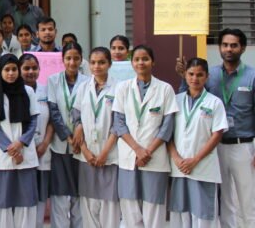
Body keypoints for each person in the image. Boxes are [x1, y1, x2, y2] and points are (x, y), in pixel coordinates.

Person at [175, 28, 255, 228]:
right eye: (225, 45)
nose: (229, 49)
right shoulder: (210, 75)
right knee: (223, 200)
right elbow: (190, 96)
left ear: (242, 48)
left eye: (233, 45)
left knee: (248, 198)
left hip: (242, 145)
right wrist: (183, 77)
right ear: (219, 48)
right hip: (215, 148)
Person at [112, 45, 177, 228]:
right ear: (131, 63)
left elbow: (167, 126)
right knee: (129, 205)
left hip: (154, 156)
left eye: (145, 59)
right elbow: (119, 123)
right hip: (129, 155)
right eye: (137, 59)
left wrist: (147, 151)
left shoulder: (165, 89)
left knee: (154, 206)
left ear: (153, 62)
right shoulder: (123, 88)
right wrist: (137, 149)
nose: (141, 62)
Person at [169, 57, 227, 228]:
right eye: (191, 74)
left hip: (203, 167)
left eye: (200, 75)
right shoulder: (175, 100)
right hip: (179, 167)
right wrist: (176, 158)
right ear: (185, 75)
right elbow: (167, 133)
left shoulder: (214, 102)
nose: (195, 78)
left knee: (203, 214)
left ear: (207, 77)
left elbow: (217, 134)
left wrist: (195, 160)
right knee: (181, 212)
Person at [0, 54, 40, 227]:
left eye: (14, 69)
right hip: (3, 156)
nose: (11, 73)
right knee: (3, 202)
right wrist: (11, 149)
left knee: (26, 201)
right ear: (0, 71)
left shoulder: (28, 91)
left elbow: (33, 121)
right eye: (6, 69)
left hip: (25, 154)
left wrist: (20, 143)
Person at [71, 47, 120, 228]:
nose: (97, 66)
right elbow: (76, 117)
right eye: (93, 62)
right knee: (88, 202)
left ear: (110, 64)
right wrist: (85, 150)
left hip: (110, 154)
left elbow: (119, 123)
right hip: (88, 155)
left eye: (101, 62)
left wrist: (105, 152)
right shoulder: (83, 87)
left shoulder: (119, 88)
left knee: (109, 203)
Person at [46, 42, 89, 227]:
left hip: (83, 145)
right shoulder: (53, 80)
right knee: (61, 192)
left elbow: (89, 110)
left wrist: (79, 130)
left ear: (81, 60)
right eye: (68, 58)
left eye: (76, 58)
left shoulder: (88, 81)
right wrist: (68, 137)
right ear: (62, 60)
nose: (72, 62)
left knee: (79, 191)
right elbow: (54, 112)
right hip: (61, 144)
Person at [19, 53, 53, 226]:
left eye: (34, 68)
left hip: (43, 149)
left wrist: (45, 143)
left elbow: (53, 120)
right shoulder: (14, 92)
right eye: (26, 68)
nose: (30, 72)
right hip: (22, 149)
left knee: (41, 192)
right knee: (24, 192)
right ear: (19, 70)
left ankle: (38, 224)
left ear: (40, 70)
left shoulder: (46, 90)